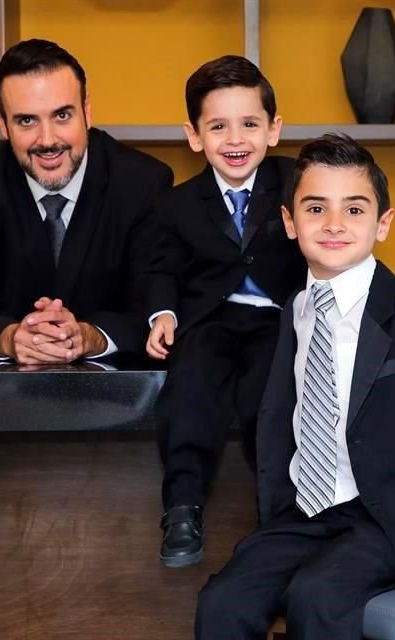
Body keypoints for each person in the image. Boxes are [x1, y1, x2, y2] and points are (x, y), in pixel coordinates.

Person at [195, 133, 395, 639]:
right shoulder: (294, 311)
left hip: (393, 521)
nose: (334, 224)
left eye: (353, 209)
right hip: (306, 515)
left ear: (382, 223)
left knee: (318, 596)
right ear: (290, 222)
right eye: (315, 208)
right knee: (223, 601)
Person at [145, 55, 306, 568]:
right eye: (218, 127)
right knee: (189, 387)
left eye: (250, 124)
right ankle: (182, 504)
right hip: (210, 321)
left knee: (268, 394)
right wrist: (163, 314)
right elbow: (162, 269)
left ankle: (280, 510)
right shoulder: (177, 204)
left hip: (277, 320)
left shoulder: (299, 183)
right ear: (194, 136)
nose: (235, 140)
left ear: (274, 129)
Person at [0, 38, 173, 363]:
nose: (47, 140)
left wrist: (89, 336)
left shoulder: (143, 182)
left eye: (62, 115)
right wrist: (10, 338)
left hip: (117, 389)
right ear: (3, 124)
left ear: (87, 112)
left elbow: (156, 311)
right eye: (26, 121)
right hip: (2, 391)